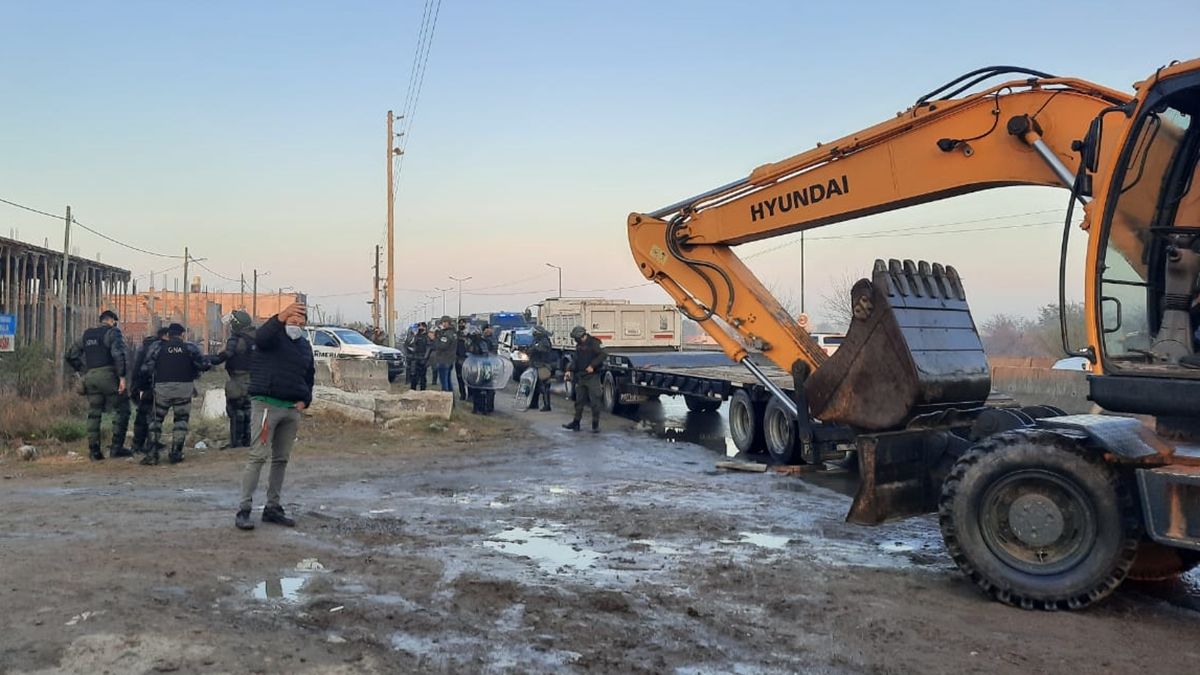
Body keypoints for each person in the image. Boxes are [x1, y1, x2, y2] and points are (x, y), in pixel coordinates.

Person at [236, 302, 315, 531]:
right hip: (266, 407)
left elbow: (309, 374)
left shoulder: (303, 345)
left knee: (281, 459)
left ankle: (273, 507)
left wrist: (305, 399)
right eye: (293, 321)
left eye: (301, 323)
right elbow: (261, 337)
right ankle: (244, 509)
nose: (296, 326)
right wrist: (281, 316)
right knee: (257, 457)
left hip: (291, 409)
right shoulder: (271, 338)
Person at [65, 310, 133, 461]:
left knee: (94, 413)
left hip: (91, 377)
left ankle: (94, 451)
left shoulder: (87, 335)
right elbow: (118, 354)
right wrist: (122, 377)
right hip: (108, 376)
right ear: (112, 321)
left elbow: (70, 355)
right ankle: (116, 448)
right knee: (122, 409)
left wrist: (83, 370)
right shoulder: (113, 332)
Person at [141, 323, 210, 465]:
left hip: (162, 388)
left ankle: (152, 455)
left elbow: (146, 368)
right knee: (181, 421)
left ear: (168, 334)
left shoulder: (157, 347)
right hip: (184, 388)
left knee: (156, 420)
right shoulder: (190, 347)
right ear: (182, 335)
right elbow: (204, 365)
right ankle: (176, 453)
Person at [209, 310, 256, 448]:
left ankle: (236, 443)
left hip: (237, 379)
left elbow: (227, 354)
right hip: (254, 380)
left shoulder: (236, 339)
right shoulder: (255, 338)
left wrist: (210, 360)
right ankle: (247, 441)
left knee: (235, 411)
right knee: (249, 412)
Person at [129, 326, 169, 454]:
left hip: (140, 384)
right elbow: (147, 369)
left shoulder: (147, 346)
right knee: (149, 415)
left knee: (145, 414)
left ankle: (141, 444)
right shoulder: (157, 347)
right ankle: (146, 444)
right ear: (165, 335)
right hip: (146, 385)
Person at [563, 325, 606, 433]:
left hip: (592, 377)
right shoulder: (579, 346)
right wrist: (569, 369)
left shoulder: (594, 343)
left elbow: (603, 354)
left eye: (576, 338)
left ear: (582, 336)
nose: (575, 340)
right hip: (581, 376)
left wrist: (592, 365)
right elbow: (575, 360)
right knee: (579, 401)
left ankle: (595, 425)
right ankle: (576, 423)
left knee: (595, 401)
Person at [463, 324, 496, 414]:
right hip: (475, 368)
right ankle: (476, 407)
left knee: (484, 389)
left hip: (484, 368)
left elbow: (485, 356)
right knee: (475, 388)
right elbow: (469, 352)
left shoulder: (482, 343)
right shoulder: (472, 343)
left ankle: (485, 408)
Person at [527, 325, 555, 412]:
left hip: (543, 366)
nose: (533, 334)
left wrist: (534, 348)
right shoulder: (537, 340)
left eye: (535, 332)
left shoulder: (544, 341)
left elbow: (542, 350)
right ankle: (534, 404)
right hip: (536, 365)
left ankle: (547, 405)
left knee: (544, 386)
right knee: (535, 386)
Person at [430, 315, 457, 393]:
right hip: (450, 360)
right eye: (442, 322)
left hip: (444, 360)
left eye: (445, 322)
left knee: (444, 384)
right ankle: (452, 402)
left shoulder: (447, 334)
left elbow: (441, 346)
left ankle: (446, 401)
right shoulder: (453, 332)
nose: (443, 324)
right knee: (448, 382)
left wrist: (434, 338)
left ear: (449, 323)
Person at [406, 323, 430, 390]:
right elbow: (411, 345)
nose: (420, 328)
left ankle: (423, 391)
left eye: (422, 327)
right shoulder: (416, 336)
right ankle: (413, 391)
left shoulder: (427, 337)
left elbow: (428, 348)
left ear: (425, 328)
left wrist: (425, 358)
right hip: (415, 358)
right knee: (414, 376)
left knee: (422, 377)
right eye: (419, 327)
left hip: (423, 359)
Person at [454, 318, 469, 401]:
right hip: (458, 358)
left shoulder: (469, 334)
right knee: (460, 378)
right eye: (460, 323)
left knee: (469, 378)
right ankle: (462, 394)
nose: (461, 325)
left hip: (468, 359)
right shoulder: (456, 334)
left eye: (463, 323)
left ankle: (470, 395)